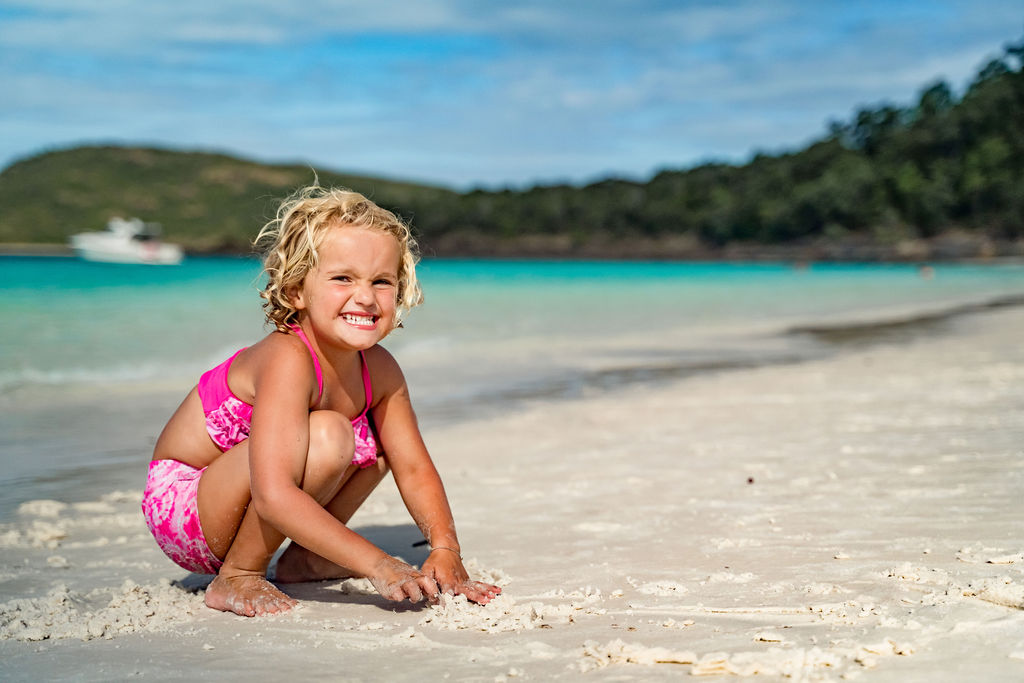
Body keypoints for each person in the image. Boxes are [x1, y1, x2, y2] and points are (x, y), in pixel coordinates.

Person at [142, 185, 501, 617]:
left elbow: (413, 466)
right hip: (187, 507)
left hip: (249, 499)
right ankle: (237, 574)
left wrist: (445, 548)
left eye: (381, 281)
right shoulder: (287, 357)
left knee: (382, 444)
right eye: (343, 278)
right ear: (296, 291)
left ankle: (304, 560)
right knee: (330, 433)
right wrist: (379, 565)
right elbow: (273, 495)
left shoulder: (381, 369)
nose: (365, 297)